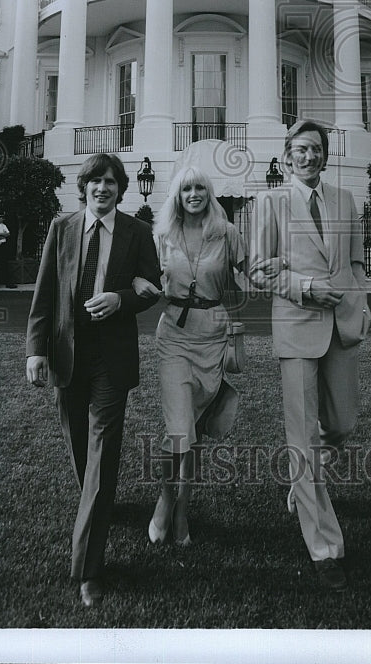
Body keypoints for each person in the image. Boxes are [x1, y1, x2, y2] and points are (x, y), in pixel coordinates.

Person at [25, 153, 161, 607]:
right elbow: (45, 291)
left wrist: (120, 299)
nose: (103, 188)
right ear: (83, 187)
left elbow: (151, 286)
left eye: (110, 182)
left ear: (120, 190)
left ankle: (89, 569)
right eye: (95, 181)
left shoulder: (138, 233)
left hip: (111, 360)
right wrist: (35, 350)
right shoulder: (61, 229)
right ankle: (99, 501)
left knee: (103, 457)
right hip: (67, 352)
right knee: (79, 445)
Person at [249, 119, 371, 592]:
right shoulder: (270, 202)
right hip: (298, 328)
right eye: (300, 149)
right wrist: (301, 288)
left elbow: (358, 260)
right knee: (301, 437)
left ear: (325, 154)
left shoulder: (345, 199)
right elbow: (259, 271)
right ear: (286, 157)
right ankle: (324, 548)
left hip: (342, 326)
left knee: (340, 424)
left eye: (316, 149)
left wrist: (361, 301)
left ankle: (305, 483)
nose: (309, 156)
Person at [140, 166, 246, 547]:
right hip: (174, 336)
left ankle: (183, 506)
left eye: (201, 187)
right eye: (187, 188)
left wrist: (238, 330)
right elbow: (146, 277)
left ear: (210, 192)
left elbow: (248, 277)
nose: (195, 193)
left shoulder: (227, 232)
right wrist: (140, 283)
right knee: (178, 428)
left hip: (213, 335)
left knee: (194, 430)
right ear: (177, 195)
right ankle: (165, 506)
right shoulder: (162, 235)